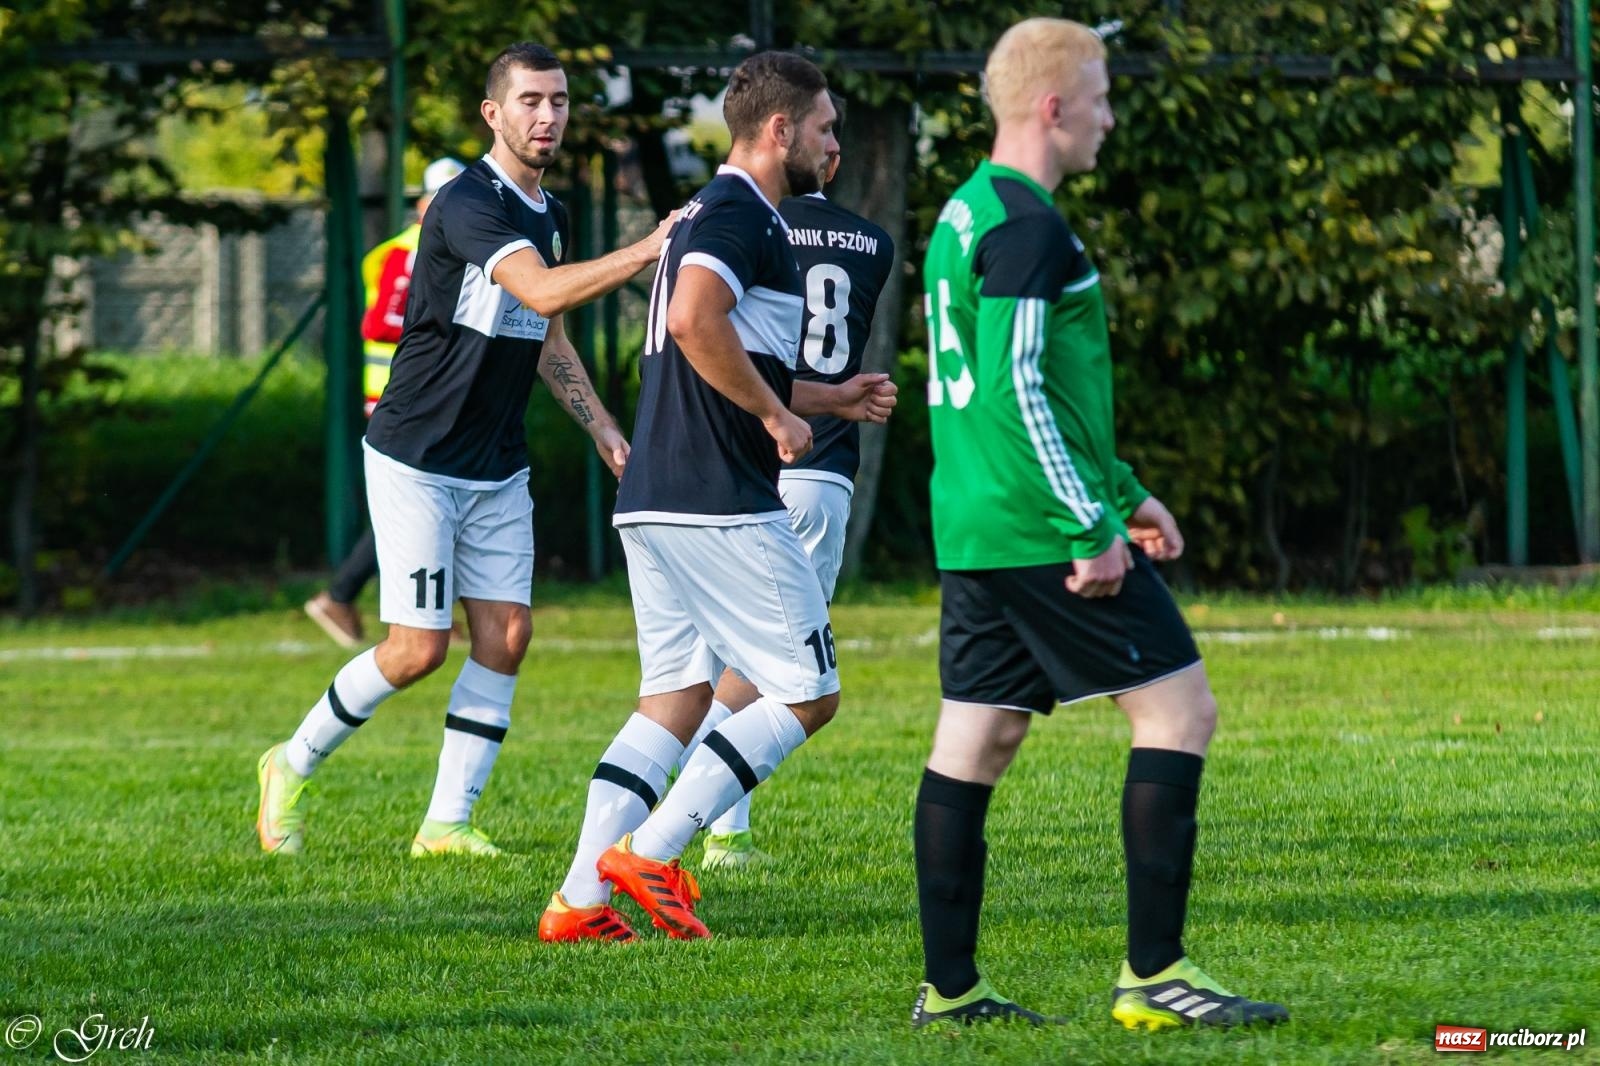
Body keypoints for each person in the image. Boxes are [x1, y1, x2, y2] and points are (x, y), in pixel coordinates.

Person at [910, 18, 1289, 1030]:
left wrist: (1123, 489)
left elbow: (1028, 390)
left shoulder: (964, 212)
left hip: (978, 522)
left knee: (976, 738)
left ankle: (948, 990)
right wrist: (1090, 523)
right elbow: (1019, 385)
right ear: (1054, 106)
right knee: (1177, 713)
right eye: (1104, 97)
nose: (1111, 119)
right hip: (1040, 525)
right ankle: (1155, 977)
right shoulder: (1031, 226)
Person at [256, 41, 672, 859]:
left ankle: (446, 824)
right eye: (529, 101)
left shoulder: (547, 213)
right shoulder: (466, 200)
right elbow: (546, 290)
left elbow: (544, 329)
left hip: (496, 462)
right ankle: (289, 762)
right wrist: (645, 248)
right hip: (417, 455)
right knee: (417, 650)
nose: (546, 116)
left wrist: (600, 424)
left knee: (506, 635)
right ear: (494, 113)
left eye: (557, 101)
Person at [537, 52, 895, 942]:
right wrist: (776, 413)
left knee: (673, 699)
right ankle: (652, 853)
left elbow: (716, 356)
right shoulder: (743, 214)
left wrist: (825, 397)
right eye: (823, 128)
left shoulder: (706, 210)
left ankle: (579, 903)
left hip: (656, 496)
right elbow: (697, 321)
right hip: (719, 496)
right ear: (781, 131)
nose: (830, 144)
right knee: (808, 694)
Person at [674, 102, 897, 870]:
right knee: (783, 668)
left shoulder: (738, 222)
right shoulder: (873, 242)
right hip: (815, 456)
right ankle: (713, 828)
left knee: (717, 655)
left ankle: (690, 820)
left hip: (727, 455)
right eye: (827, 130)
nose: (831, 142)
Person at [304, 156, 466, 650]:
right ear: (422, 204)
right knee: (420, 504)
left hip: (426, 396)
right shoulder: (412, 251)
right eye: (441, 195)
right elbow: (379, 323)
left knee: (442, 499)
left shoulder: (446, 246)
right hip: (402, 397)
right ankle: (345, 594)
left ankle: (427, 608)